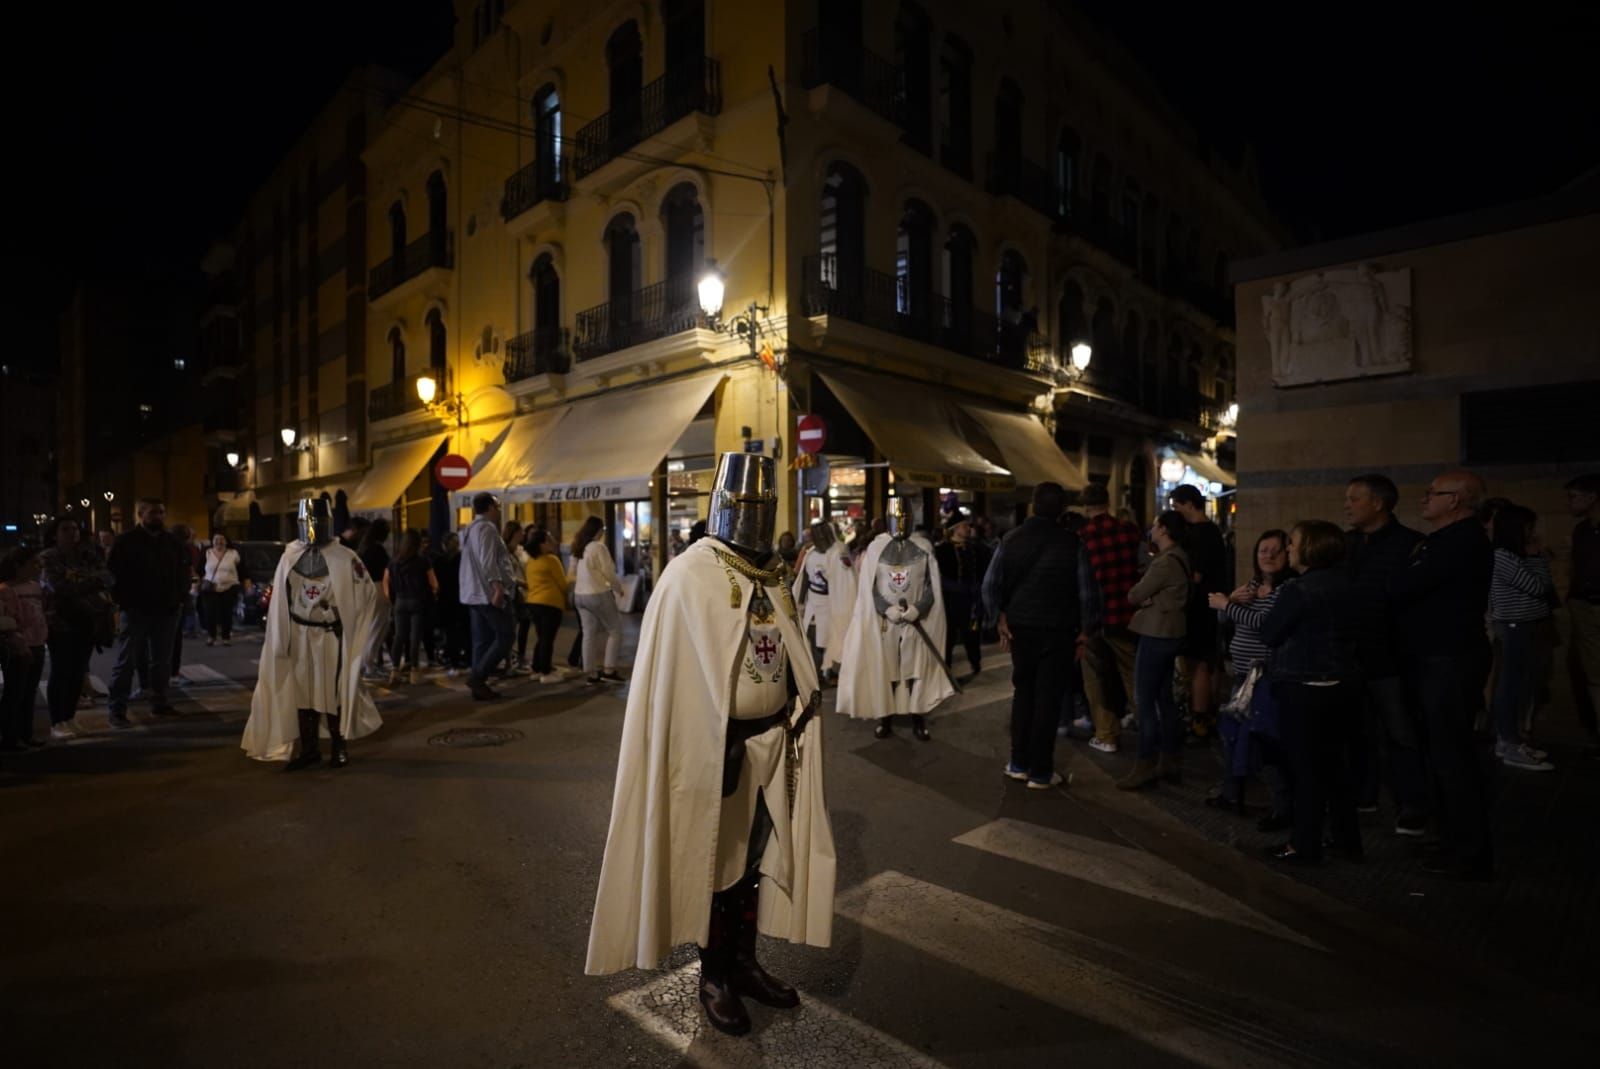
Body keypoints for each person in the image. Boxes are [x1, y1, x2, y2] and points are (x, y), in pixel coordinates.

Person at [585, 453, 832, 1037]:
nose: (753, 516)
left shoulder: (772, 573)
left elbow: (787, 652)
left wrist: (799, 699)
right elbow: (673, 679)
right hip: (715, 752)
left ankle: (743, 963)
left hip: (774, 746)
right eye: (747, 504)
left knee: (752, 866)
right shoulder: (690, 573)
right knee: (715, 865)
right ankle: (714, 974)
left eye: (762, 506)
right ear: (724, 503)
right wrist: (710, 737)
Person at [1391, 469, 1494, 881]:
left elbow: (1405, 586)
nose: (1425, 498)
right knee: (1442, 755)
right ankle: (1451, 836)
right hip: (1438, 657)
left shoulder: (1460, 542)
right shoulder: (1446, 542)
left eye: (1434, 493)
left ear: (1456, 501)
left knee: (1453, 758)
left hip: (1449, 660)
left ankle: (1469, 851)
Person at [242, 498, 381, 770]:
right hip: (299, 632)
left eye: (318, 522)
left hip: (329, 634)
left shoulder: (345, 557)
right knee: (302, 691)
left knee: (332, 691)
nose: (313, 528)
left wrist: (345, 612)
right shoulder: (290, 556)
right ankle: (309, 750)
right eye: (308, 522)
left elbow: (366, 592)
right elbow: (282, 597)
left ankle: (339, 747)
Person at [1257, 521, 1362, 865]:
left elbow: (1271, 633)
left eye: (1293, 543)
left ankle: (1304, 844)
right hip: (1342, 685)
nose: (1288, 549)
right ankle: (1347, 840)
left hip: (1302, 687)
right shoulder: (1347, 584)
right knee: (1337, 768)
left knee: (1306, 771)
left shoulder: (1297, 590)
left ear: (1310, 548)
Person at [992, 481, 1095, 788]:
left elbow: (991, 585)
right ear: (1062, 509)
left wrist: (999, 617)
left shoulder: (1010, 539)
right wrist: (1087, 630)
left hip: (1022, 628)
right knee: (1048, 699)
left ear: (1034, 505)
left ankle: (1018, 761)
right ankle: (1040, 771)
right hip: (1059, 629)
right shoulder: (1073, 543)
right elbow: (1087, 592)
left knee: (1023, 693)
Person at [1342, 473, 1429, 835]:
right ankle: (1364, 794)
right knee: (1356, 731)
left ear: (1378, 503)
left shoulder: (1411, 545)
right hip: (1350, 656)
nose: (1346, 505)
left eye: (1354, 499)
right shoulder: (1344, 545)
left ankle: (1412, 804)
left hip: (1391, 659)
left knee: (1400, 733)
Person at [838, 497, 952, 742]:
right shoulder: (875, 549)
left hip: (914, 623)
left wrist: (918, 609)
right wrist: (885, 608)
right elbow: (869, 587)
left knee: (914, 673)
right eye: (896, 518)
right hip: (885, 623)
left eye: (904, 518)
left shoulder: (923, 548)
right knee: (887, 671)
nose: (900, 522)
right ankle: (885, 718)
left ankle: (918, 719)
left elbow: (932, 587)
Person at [1207, 529, 1294, 815]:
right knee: (1232, 737)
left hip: (1265, 679)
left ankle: (1280, 806)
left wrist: (1227, 604)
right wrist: (1230, 601)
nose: (1268, 556)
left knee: (1265, 742)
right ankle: (1233, 794)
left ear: (1287, 554)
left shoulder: (1286, 590)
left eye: (1275, 551)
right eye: (1262, 551)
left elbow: (1262, 623)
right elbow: (1225, 620)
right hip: (1243, 677)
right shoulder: (1252, 586)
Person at [1117, 510, 1191, 790]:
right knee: (1164, 698)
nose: (1151, 528)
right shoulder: (1180, 557)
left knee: (1144, 701)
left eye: (1156, 525)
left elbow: (1134, 594)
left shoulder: (1164, 563)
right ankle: (1170, 759)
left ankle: (1146, 763)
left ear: (1163, 530)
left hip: (1156, 634)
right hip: (1172, 632)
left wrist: (1147, 600)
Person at [105, 498, 188, 726]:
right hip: (136, 610)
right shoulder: (126, 542)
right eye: (153, 513)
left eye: (161, 513)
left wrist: (180, 597)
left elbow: (182, 571)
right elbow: (112, 575)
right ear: (140, 515)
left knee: (161, 661)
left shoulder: (171, 542)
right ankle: (117, 709)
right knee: (127, 661)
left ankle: (159, 703)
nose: (158, 517)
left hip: (167, 609)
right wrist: (124, 601)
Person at [1487, 505, 1556, 771]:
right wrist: (1537, 557)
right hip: (1514, 625)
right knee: (1511, 684)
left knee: (1518, 683)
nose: (1533, 532)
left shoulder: (1515, 555)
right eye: (1529, 527)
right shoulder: (1503, 556)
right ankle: (1508, 743)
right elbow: (1539, 587)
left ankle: (1510, 740)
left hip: (1524, 624)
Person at [1077, 485, 1144, 754]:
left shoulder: (1082, 536)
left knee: (1095, 679)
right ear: (1108, 502)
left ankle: (1107, 735)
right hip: (1126, 615)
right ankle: (1150, 733)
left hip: (1093, 620)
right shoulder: (1129, 531)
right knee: (1133, 677)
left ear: (1085, 507)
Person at [38, 520, 112, 738]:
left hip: (88, 619)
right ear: (54, 534)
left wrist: (83, 582)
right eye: (66, 529)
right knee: (62, 670)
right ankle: (57, 721)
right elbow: (58, 587)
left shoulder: (87, 554)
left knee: (78, 672)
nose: (72, 533)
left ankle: (69, 717)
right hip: (60, 621)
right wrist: (91, 582)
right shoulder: (48, 557)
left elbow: (107, 577)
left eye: (75, 529)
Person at [1169, 485, 1226, 738]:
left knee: (1200, 663)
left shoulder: (1202, 534)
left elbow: (1196, 575)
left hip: (1201, 607)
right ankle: (1208, 714)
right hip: (1210, 605)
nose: (1175, 511)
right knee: (1209, 662)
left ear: (1189, 504)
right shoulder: (1211, 531)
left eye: (1176, 505)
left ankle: (1199, 719)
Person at [460, 494, 519, 701]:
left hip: (473, 593)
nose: (499, 509)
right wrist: (497, 587)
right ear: (489, 508)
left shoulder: (469, 529)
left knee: (481, 640)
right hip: (486, 593)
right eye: (497, 506)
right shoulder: (486, 529)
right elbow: (488, 560)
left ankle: (479, 687)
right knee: (506, 635)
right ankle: (477, 677)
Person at [933, 510, 992, 681]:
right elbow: (938, 576)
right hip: (950, 600)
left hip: (971, 600)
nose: (968, 529)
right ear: (955, 529)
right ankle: (946, 668)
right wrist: (955, 587)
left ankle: (976, 663)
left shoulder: (975, 549)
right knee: (949, 635)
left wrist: (978, 589)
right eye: (964, 526)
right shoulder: (942, 550)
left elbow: (983, 571)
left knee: (972, 633)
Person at [1564, 473, 1600, 755]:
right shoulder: (1582, 531)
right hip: (1584, 605)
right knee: (1593, 673)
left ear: (1591, 497)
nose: (1570, 502)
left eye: (1574, 496)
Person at [0, 547, 48, 750]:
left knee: (29, 691)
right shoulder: (6, 590)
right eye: (33, 563)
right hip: (18, 647)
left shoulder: (35, 587)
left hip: (38, 643)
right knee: (15, 692)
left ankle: (26, 733)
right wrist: (19, 643)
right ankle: (10, 738)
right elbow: (8, 621)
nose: (38, 567)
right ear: (19, 566)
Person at [571, 516, 627, 685]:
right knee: (615, 630)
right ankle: (609, 670)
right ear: (598, 530)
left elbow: (572, 571)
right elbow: (608, 572)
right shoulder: (599, 547)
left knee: (588, 633)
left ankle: (591, 673)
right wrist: (619, 588)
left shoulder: (579, 548)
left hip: (580, 595)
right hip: (598, 593)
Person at [384, 530, 438, 686]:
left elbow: (386, 582)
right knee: (415, 636)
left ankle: (394, 670)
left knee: (399, 636)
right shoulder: (423, 561)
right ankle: (414, 671)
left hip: (400, 602)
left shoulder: (393, 562)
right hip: (418, 602)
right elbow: (433, 582)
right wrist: (433, 593)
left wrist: (392, 600)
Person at [523, 526, 570, 683]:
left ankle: (537, 668)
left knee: (541, 637)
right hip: (550, 602)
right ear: (542, 544)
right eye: (549, 539)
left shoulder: (531, 561)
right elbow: (563, 584)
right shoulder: (551, 560)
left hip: (533, 602)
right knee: (547, 639)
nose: (553, 542)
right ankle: (546, 672)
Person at [357, 519, 392, 680]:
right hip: (378, 588)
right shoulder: (378, 550)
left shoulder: (364, 549)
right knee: (378, 628)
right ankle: (368, 664)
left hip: (364, 590)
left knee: (370, 628)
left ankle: (365, 664)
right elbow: (386, 572)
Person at [433, 531, 469, 671]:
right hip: (461, 599)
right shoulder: (462, 560)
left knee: (450, 631)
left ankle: (453, 659)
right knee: (464, 630)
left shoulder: (439, 561)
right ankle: (465, 657)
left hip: (445, 601)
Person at [202, 532, 242, 646]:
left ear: (226, 541)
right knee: (210, 613)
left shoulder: (233, 553)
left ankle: (226, 637)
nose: (219, 541)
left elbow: (242, 569)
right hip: (211, 588)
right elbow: (200, 569)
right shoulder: (207, 553)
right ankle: (211, 636)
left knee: (226, 613)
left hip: (229, 587)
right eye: (216, 539)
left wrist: (246, 581)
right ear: (212, 541)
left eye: (221, 539)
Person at [504, 521, 531, 674]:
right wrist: (524, 583)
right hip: (513, 594)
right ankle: (509, 663)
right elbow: (509, 576)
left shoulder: (517, 550)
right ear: (514, 533)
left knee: (525, 623)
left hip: (521, 594)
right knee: (511, 629)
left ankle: (519, 658)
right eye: (521, 531)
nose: (524, 534)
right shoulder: (506, 551)